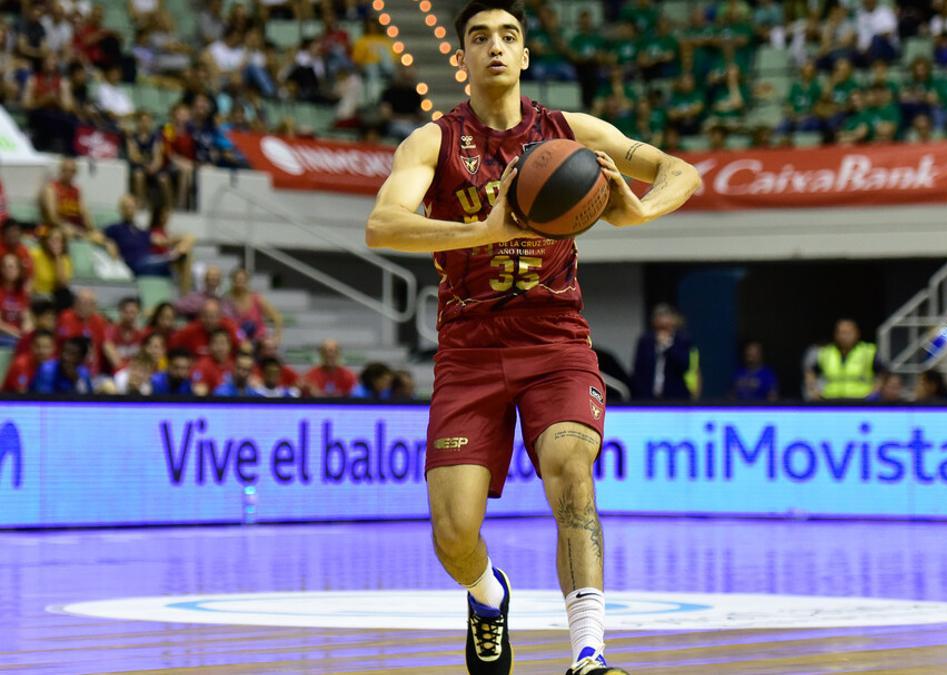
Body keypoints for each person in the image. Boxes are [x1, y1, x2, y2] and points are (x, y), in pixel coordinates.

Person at [361, 2, 700, 673]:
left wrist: (638, 212)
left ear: (524, 56)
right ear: (463, 56)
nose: (495, 46)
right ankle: (489, 596)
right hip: (469, 346)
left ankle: (589, 653)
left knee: (571, 470)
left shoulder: (570, 132)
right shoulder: (432, 142)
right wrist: (482, 231)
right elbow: (381, 226)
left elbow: (680, 172)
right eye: (479, 36)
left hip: (556, 340)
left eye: (508, 36)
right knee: (454, 533)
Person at [104, 196, 195, 285]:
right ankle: (177, 260)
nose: (130, 210)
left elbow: (165, 241)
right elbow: (96, 235)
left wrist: (186, 237)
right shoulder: (115, 228)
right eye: (126, 207)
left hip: (152, 261)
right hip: (138, 265)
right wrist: (107, 242)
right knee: (180, 260)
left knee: (185, 255)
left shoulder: (142, 231)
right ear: (121, 209)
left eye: (132, 207)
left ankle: (178, 258)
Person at [807, 319, 886, 400]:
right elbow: (810, 372)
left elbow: (882, 373)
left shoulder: (868, 351)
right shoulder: (826, 352)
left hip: (861, 401)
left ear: (857, 333)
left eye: (848, 333)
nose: (844, 336)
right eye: (841, 333)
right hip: (831, 400)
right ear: (835, 335)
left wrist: (874, 392)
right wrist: (814, 390)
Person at [632, 304, 695, 401]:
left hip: (675, 398)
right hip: (647, 398)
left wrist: (668, 347)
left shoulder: (682, 340)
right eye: (659, 316)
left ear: (674, 320)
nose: (663, 320)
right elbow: (638, 369)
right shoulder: (646, 341)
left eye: (666, 316)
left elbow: (685, 366)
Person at [57, 288, 117, 375]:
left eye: (88, 303)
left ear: (94, 306)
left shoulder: (99, 320)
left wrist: (120, 368)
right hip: (69, 368)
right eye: (81, 302)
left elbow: (106, 344)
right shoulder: (65, 317)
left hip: (94, 371)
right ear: (75, 303)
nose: (84, 306)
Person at [222, 267, 282, 343]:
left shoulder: (256, 298)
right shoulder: (227, 300)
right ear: (232, 281)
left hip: (258, 340)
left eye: (242, 280)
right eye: (236, 280)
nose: (239, 283)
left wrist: (277, 336)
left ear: (247, 282)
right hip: (237, 341)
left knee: (250, 325)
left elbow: (276, 316)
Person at [169, 298, 242, 359]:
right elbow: (172, 344)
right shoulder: (190, 330)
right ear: (200, 317)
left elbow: (244, 345)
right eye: (206, 316)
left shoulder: (230, 326)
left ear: (220, 316)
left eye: (213, 317)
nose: (209, 320)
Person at [29, 227, 73, 308]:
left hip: (52, 295)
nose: (55, 243)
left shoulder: (65, 260)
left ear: (63, 244)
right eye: (52, 239)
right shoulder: (35, 254)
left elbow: (62, 284)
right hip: (36, 294)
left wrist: (57, 257)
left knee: (66, 294)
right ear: (46, 241)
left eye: (58, 240)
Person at [2, 329, 56, 393]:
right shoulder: (21, 364)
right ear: (31, 346)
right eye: (38, 346)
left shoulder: (56, 364)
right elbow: (21, 393)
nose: (42, 351)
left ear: (54, 348)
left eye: (46, 347)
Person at [189, 327, 234, 395]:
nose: (220, 348)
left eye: (223, 343)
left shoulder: (235, 365)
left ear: (230, 346)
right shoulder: (202, 366)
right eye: (216, 343)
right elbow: (199, 392)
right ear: (210, 346)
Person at [0, 253, 31, 347]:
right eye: (5, 267)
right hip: (3, 336)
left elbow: (26, 317)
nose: (9, 270)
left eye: (12, 267)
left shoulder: (22, 292)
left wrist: (27, 333)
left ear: (19, 270)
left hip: (17, 336)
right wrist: (18, 334)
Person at [106, 296, 143, 369]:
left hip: (137, 372)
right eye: (126, 312)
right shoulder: (110, 332)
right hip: (118, 373)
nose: (130, 316)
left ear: (138, 313)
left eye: (133, 312)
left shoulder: (141, 334)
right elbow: (116, 363)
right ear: (120, 313)